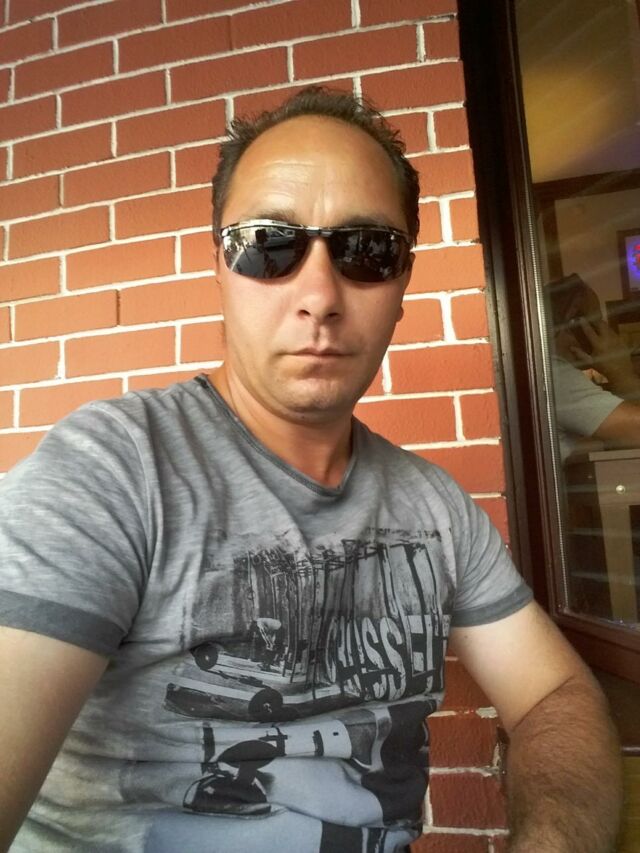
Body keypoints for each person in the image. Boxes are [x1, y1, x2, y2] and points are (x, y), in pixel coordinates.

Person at [0, 87, 622, 852]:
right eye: (268, 242)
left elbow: (555, 694)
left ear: (402, 285)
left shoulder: (435, 507)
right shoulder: (111, 474)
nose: (320, 295)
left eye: (368, 249)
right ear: (220, 267)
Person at [548, 273, 640, 460]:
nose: (603, 330)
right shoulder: (556, 374)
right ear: (575, 326)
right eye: (595, 322)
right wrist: (621, 372)